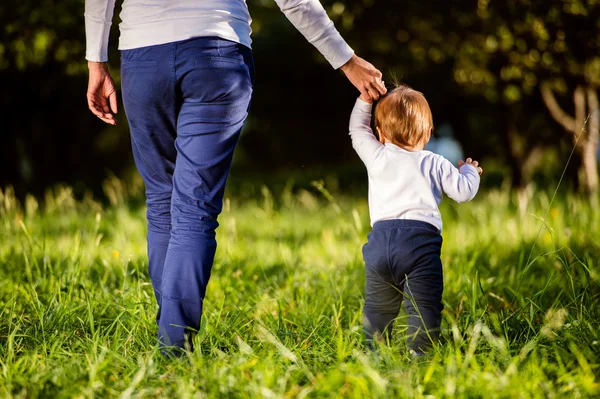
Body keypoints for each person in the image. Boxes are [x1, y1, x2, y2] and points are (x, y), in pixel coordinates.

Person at [84, 0, 387, 352]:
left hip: (144, 58)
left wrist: (96, 61)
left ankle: (170, 338)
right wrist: (347, 61)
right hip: (217, 57)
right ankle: (172, 343)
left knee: (163, 202)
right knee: (194, 209)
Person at [349, 84, 483, 355]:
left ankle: (372, 355)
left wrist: (365, 100)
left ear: (380, 133)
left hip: (379, 246)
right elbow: (463, 192)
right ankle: (420, 355)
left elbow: (356, 130)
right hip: (420, 246)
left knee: (378, 308)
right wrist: (471, 171)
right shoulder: (435, 161)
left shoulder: (376, 155)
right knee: (424, 306)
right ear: (428, 132)